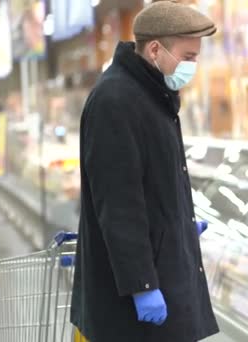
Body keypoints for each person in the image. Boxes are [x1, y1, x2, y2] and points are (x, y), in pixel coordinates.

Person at [70, 1, 218, 341]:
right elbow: (119, 204)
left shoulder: (153, 94)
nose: (193, 66)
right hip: (128, 308)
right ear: (155, 49)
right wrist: (142, 286)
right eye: (189, 56)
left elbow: (153, 180)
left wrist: (178, 223)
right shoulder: (115, 101)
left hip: (164, 274)